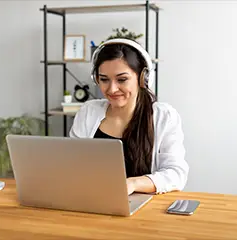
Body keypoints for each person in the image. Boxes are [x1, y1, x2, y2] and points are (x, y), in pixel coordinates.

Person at [69, 38, 189, 195]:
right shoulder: (88, 112)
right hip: (94, 201)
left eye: (122, 79)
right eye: (104, 79)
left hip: (146, 209)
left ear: (143, 78)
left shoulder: (164, 116)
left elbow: (176, 174)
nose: (112, 89)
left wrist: (133, 183)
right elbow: (73, 166)